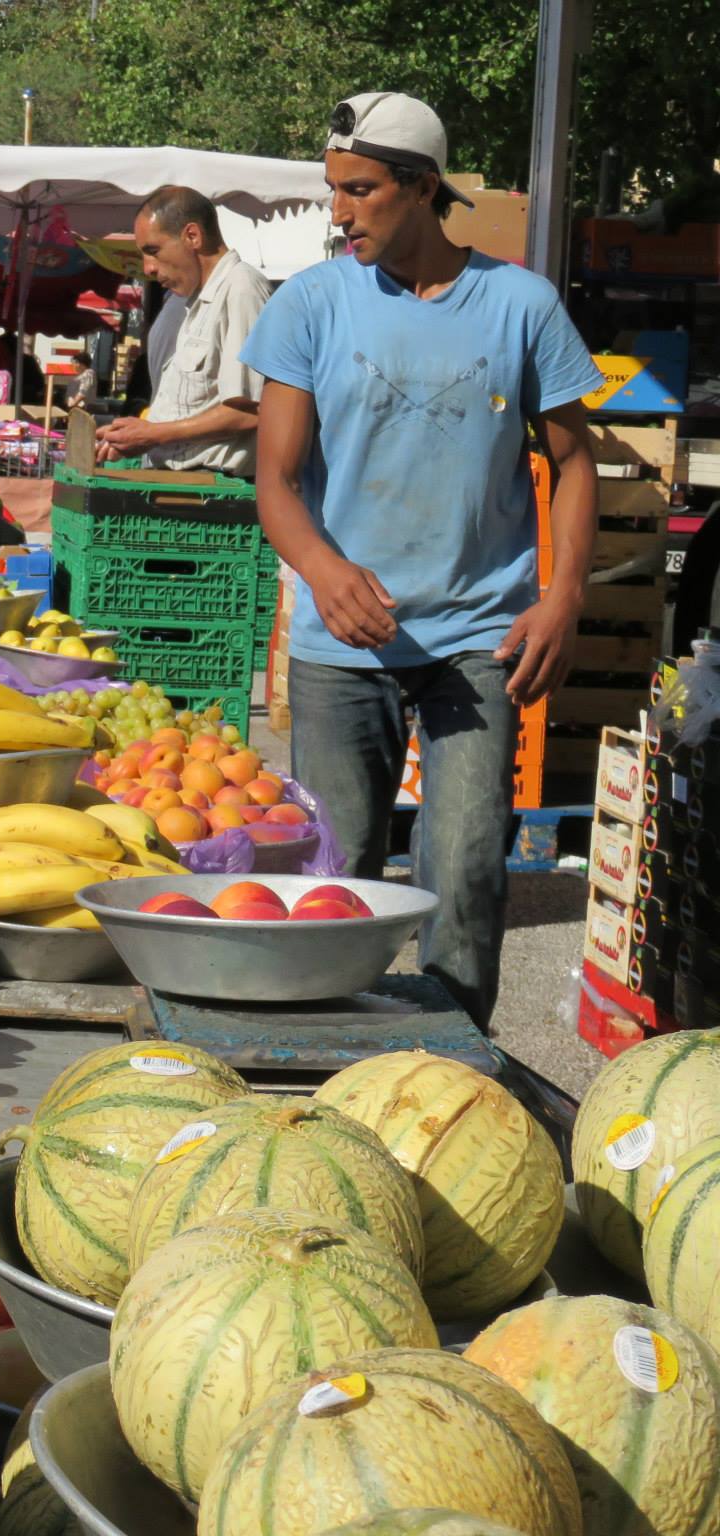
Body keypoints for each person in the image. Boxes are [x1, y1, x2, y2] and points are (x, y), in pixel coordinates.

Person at [242, 91, 601, 1028]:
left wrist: (562, 600)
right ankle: (324, 1071)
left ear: (422, 186)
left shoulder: (521, 305)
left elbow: (573, 460)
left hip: (480, 638)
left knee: (468, 871)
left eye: (360, 190)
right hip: (341, 644)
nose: (339, 211)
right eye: (334, 190)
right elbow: (274, 483)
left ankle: (451, 1073)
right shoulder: (311, 305)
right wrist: (324, 570)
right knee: (336, 878)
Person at [96, 186, 273, 474]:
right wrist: (139, 434)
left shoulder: (241, 288)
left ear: (192, 236)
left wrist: (154, 434)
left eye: (153, 251)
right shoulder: (197, 299)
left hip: (210, 493)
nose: (148, 268)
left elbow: (252, 410)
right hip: (180, 484)